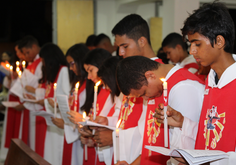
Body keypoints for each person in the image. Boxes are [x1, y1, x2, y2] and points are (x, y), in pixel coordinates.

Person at [155, 2, 236, 164]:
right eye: (190, 44)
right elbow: (211, 133)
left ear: (219, 41)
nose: (192, 51)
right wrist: (183, 122)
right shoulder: (211, 80)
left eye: (197, 44)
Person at [93, 14, 163, 165]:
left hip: (139, 158)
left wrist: (113, 136)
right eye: (119, 47)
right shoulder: (129, 72)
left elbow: (150, 130)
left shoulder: (156, 79)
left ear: (142, 41)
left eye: (124, 46)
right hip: (122, 154)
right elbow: (122, 114)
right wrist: (105, 124)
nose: (120, 53)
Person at [116, 56, 205, 165]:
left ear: (150, 75)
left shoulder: (183, 88)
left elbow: (187, 150)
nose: (145, 99)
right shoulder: (162, 85)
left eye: (143, 93)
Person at [78, 48, 114, 165]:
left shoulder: (112, 91)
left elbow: (110, 123)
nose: (88, 77)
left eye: (90, 70)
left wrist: (92, 132)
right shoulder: (101, 90)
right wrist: (90, 136)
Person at [61, 43, 89, 165]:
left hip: (81, 137)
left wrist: (65, 125)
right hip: (73, 133)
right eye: (69, 65)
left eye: (72, 64)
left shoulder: (90, 85)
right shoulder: (78, 82)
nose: (71, 68)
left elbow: (86, 113)